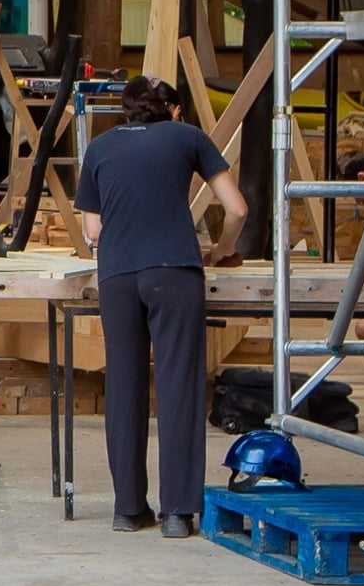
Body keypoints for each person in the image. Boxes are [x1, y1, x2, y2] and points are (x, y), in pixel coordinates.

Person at [75, 75, 250, 537]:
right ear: (173, 108)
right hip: (173, 270)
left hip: (117, 274)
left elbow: (93, 231)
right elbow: (237, 208)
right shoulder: (189, 136)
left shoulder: (100, 147)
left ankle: (128, 508)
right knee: (179, 385)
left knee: (125, 384)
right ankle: (177, 512)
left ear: (126, 110)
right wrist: (220, 249)